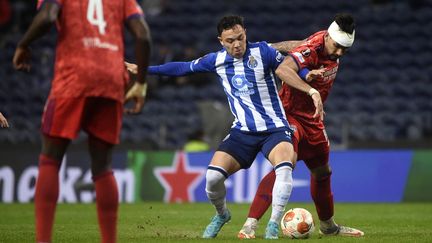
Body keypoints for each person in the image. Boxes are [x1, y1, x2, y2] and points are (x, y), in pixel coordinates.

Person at [127, 15, 324, 239]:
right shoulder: (216, 60)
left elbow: (289, 68)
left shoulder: (263, 52)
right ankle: (222, 214)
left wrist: (307, 75)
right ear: (221, 41)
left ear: (245, 34)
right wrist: (145, 70)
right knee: (212, 178)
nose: (237, 44)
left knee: (285, 168)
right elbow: (182, 68)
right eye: (230, 40)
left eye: (240, 38)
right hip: (242, 132)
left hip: (275, 129)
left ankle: (273, 224)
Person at [13, 1, 151, 242]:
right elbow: (143, 35)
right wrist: (140, 83)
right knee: (103, 166)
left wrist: (23, 44)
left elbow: (47, 17)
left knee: (50, 159)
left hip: (73, 78)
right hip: (111, 79)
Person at [237, 13, 364, 239]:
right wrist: (311, 89)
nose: (340, 53)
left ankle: (329, 226)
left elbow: (298, 45)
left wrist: (271, 46)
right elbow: (283, 70)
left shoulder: (322, 42)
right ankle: (250, 224)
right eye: (337, 46)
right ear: (328, 37)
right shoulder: (315, 47)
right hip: (289, 114)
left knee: (323, 171)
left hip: (312, 119)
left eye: (346, 49)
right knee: (287, 164)